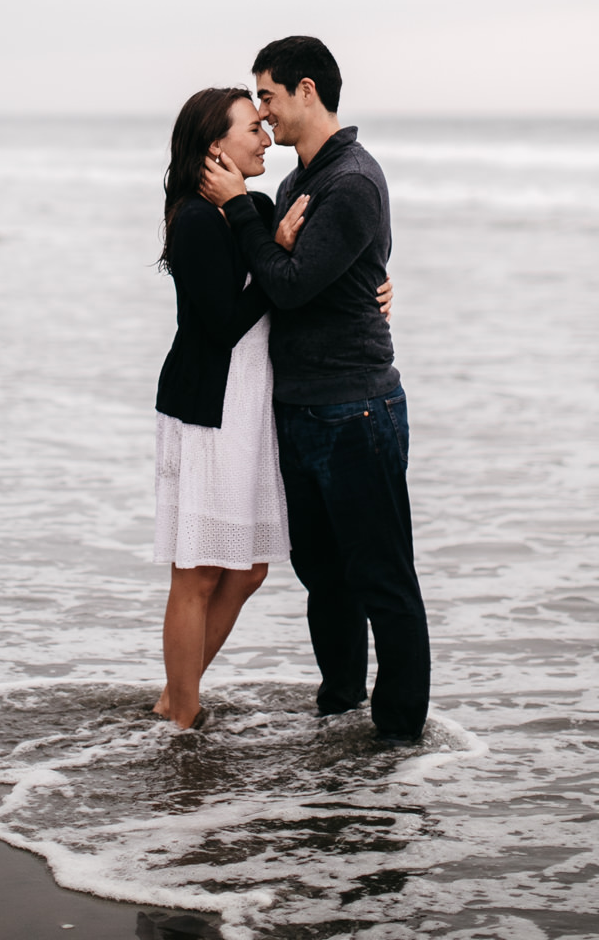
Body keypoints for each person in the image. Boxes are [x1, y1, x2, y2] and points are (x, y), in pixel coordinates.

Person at [201, 36, 431, 742]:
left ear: (306, 90)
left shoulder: (351, 181)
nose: (262, 115)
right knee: (323, 577)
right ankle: (339, 713)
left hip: (355, 407)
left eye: (266, 97)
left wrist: (243, 207)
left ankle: (398, 742)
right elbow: (285, 274)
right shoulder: (301, 182)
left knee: (381, 579)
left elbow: (293, 287)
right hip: (302, 408)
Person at [152, 85, 393, 731]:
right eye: (251, 128)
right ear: (215, 147)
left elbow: (316, 272)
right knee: (197, 571)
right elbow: (226, 322)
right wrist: (276, 257)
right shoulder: (198, 220)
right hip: (209, 407)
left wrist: (373, 287)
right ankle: (181, 712)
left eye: (264, 124)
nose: (264, 138)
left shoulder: (251, 206)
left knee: (249, 568)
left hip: (250, 408)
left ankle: (178, 695)